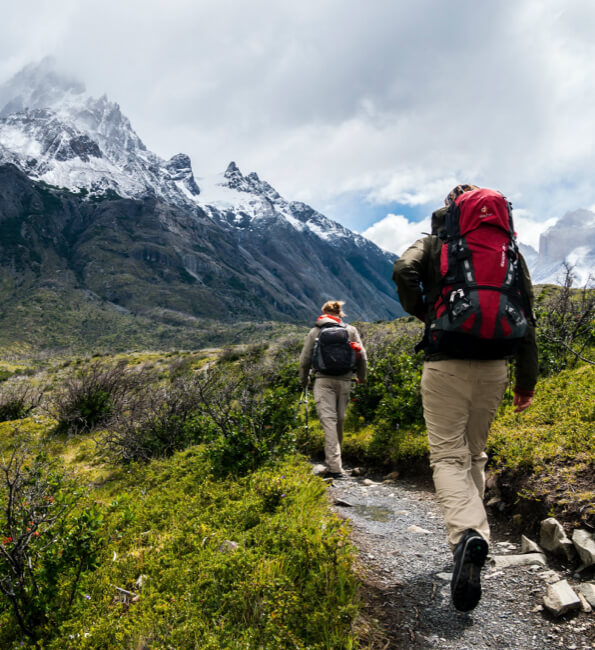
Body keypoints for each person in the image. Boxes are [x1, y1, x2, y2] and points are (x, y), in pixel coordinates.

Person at [392, 184, 538, 612]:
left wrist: (424, 310)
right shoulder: (508, 250)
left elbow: (403, 270)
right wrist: (525, 384)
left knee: (447, 457)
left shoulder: (438, 242)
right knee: (475, 454)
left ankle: (466, 537)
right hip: (496, 366)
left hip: (446, 361)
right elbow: (527, 313)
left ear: (452, 209)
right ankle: (476, 539)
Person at [299, 300, 367, 478]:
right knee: (340, 420)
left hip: (323, 381)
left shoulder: (315, 331)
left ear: (323, 313)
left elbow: (305, 359)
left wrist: (304, 379)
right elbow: (363, 356)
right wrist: (361, 377)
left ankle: (335, 467)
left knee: (328, 421)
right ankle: (337, 462)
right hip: (345, 380)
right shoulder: (350, 330)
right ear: (340, 313)